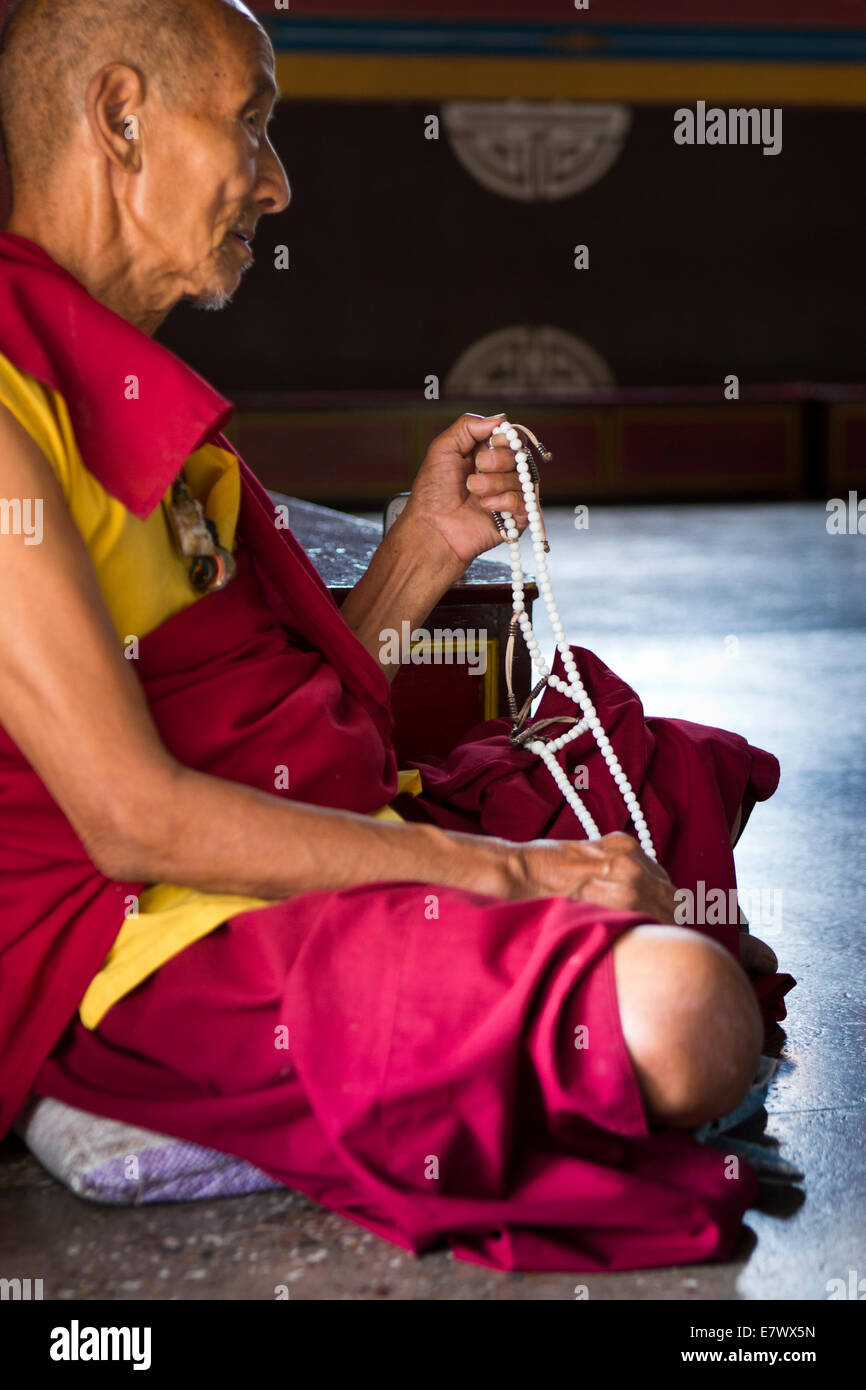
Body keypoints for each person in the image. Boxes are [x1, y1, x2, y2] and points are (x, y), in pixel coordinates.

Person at [0, 0, 792, 1272]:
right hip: (150, 935)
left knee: (659, 766)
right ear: (118, 117)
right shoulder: (8, 411)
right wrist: (515, 877)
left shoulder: (122, 380)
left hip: (275, 849)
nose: (277, 184)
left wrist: (422, 548)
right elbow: (133, 816)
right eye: (250, 125)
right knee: (685, 1011)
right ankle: (149, 1104)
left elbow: (267, 732)